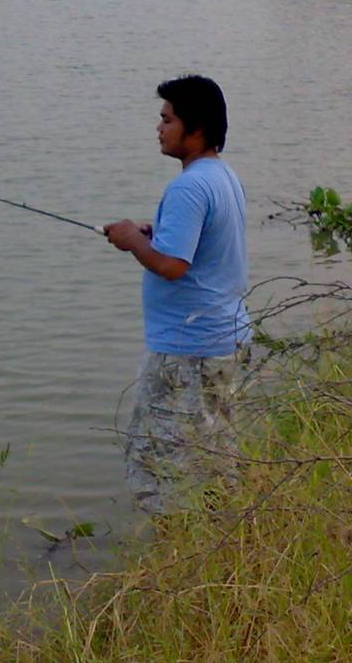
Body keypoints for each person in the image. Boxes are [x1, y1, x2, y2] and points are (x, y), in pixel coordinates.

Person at [103, 75, 249, 514]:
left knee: (157, 461)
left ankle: (171, 552)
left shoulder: (188, 186)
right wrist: (156, 233)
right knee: (215, 453)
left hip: (189, 348)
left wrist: (132, 239)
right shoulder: (221, 175)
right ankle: (228, 540)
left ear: (196, 128)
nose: (159, 128)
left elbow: (171, 265)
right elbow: (192, 246)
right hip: (223, 339)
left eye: (167, 119)